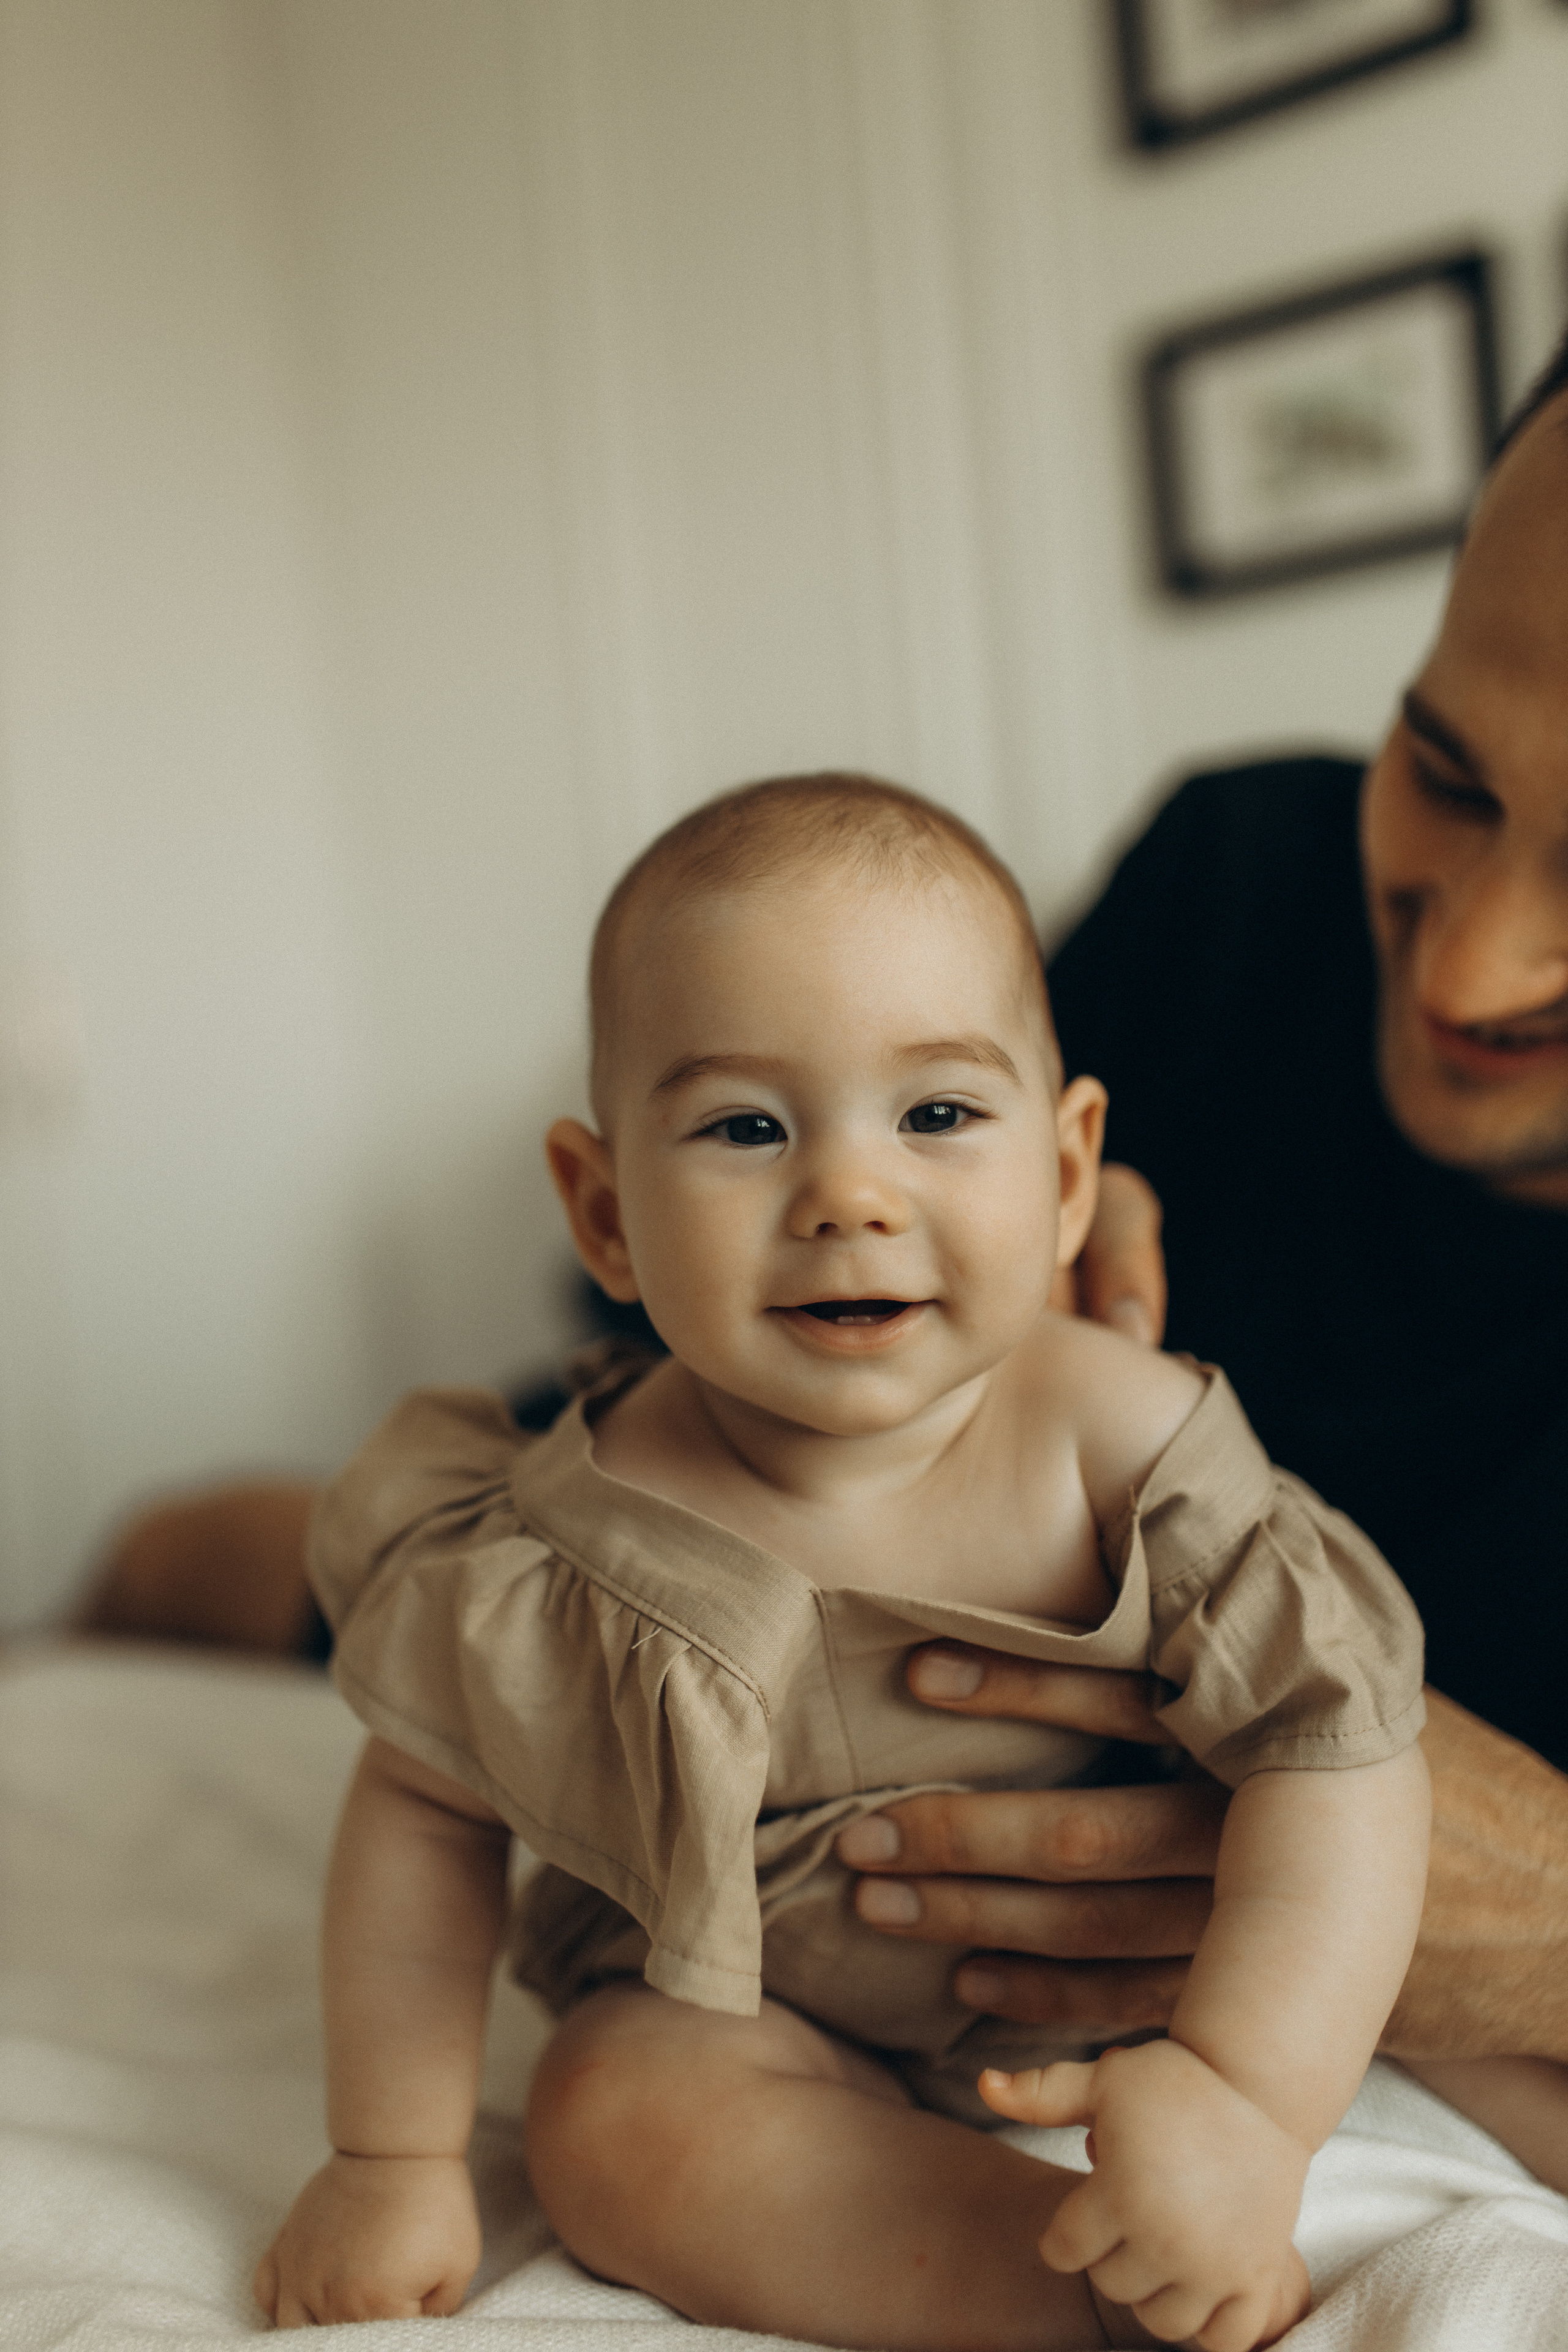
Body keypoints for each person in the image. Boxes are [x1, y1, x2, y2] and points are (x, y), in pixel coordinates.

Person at [256, 775, 1434, 2349]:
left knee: (1426, 1989)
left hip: (1126, 2002)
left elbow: (1341, 1747)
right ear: (605, 1216)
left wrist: (1244, 2096)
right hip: (755, 2015)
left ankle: (1177, 2202)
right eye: (746, 1128)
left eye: (937, 1115)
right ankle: (1058, 2291)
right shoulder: (566, 1532)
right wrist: (387, 2156)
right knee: (608, 2110)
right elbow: (419, 1806)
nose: (847, 1198)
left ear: (1069, 1172)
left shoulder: (1124, 1449)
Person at [830, 334, 1568, 2109]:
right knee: (246, 1553)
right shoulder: (1241, 884)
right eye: (1446, 773)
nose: (1465, 963)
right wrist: (950, 1265)